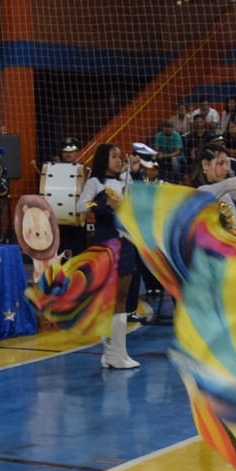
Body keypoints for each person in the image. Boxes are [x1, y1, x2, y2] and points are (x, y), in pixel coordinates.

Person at [80, 143, 141, 370]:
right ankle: (111, 353)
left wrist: (133, 173)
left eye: (120, 156)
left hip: (126, 240)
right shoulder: (94, 182)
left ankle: (119, 352)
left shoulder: (126, 180)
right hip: (107, 240)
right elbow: (80, 206)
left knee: (123, 296)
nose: (119, 160)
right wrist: (103, 203)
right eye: (114, 156)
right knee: (111, 297)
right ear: (103, 158)